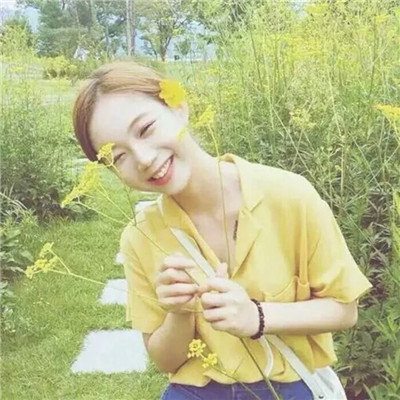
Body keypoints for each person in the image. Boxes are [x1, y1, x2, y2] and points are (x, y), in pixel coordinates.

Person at [72, 61, 373, 400]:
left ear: (178, 107)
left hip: (291, 386)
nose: (142, 158)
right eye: (118, 157)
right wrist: (177, 313)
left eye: (145, 128)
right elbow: (165, 361)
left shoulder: (290, 196)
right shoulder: (140, 237)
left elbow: (344, 309)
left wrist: (257, 316)